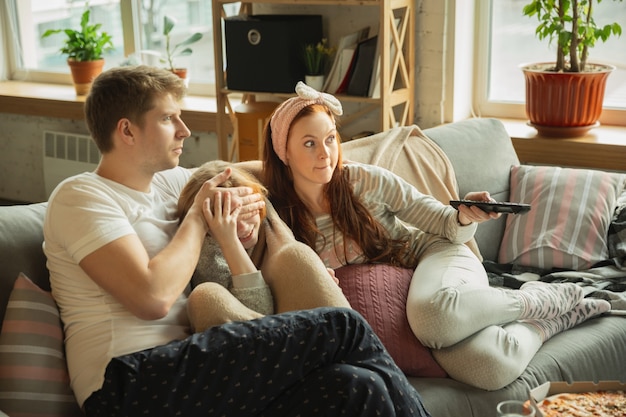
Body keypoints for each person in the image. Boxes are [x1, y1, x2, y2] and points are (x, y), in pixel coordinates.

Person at [43, 66, 432, 416]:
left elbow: (239, 172)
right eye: (167, 118)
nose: (185, 130)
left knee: (356, 386)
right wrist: (197, 216)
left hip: (202, 367)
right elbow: (151, 297)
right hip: (130, 384)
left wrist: (284, 176)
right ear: (126, 130)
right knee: (340, 325)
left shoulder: (166, 183)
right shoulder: (82, 196)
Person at [262, 81, 612, 391]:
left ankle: (538, 299)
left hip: (437, 254)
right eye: (309, 143)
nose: (325, 152)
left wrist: (464, 215)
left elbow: (441, 222)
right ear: (284, 152)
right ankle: (553, 321)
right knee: (490, 368)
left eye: (330, 138)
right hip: (413, 302)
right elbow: (280, 281)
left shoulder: (365, 181)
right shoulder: (280, 218)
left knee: (433, 318)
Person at [177, 160, 342, 331]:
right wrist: (229, 242)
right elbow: (259, 312)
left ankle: (354, 344)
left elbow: (278, 168)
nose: (243, 228)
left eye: (246, 213)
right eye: (231, 221)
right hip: (259, 342)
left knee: (297, 255)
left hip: (292, 331)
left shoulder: (264, 213)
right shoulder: (208, 251)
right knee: (205, 297)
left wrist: (317, 277)